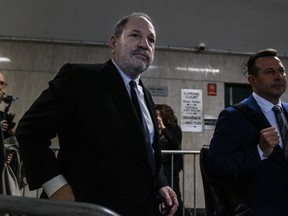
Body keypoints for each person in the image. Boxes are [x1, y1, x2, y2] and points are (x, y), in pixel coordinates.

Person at [15, 12, 178, 216]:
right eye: (135, 35)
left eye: (151, 40)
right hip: (89, 208)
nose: (145, 44)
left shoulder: (145, 94)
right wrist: (55, 186)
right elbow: (30, 131)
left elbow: (146, 151)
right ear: (113, 43)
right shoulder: (80, 78)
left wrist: (160, 183)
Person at [207, 48, 288, 216]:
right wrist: (260, 151)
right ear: (253, 80)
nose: (279, 77)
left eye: (281, 71)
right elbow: (215, 164)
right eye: (270, 72)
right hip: (260, 209)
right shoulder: (234, 116)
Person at [156, 104, 189, 216]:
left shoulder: (174, 128)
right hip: (159, 168)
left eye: (159, 115)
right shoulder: (153, 129)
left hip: (171, 167)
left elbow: (175, 141)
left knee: (175, 197)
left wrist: (163, 128)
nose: (157, 117)